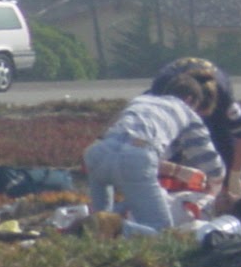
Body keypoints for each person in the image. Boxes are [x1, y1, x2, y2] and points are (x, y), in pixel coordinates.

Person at [81, 73, 225, 232]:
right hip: (135, 159)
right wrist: (220, 182)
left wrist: (179, 171)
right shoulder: (187, 113)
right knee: (161, 229)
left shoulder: (140, 100)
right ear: (189, 100)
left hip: (98, 154)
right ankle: (114, 228)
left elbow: (115, 139)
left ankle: (85, 227)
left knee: (104, 214)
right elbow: (207, 160)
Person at [147, 57, 241, 219]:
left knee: (228, 159)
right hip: (173, 116)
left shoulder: (225, 101)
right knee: (166, 176)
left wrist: (235, 175)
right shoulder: (161, 93)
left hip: (215, 120)